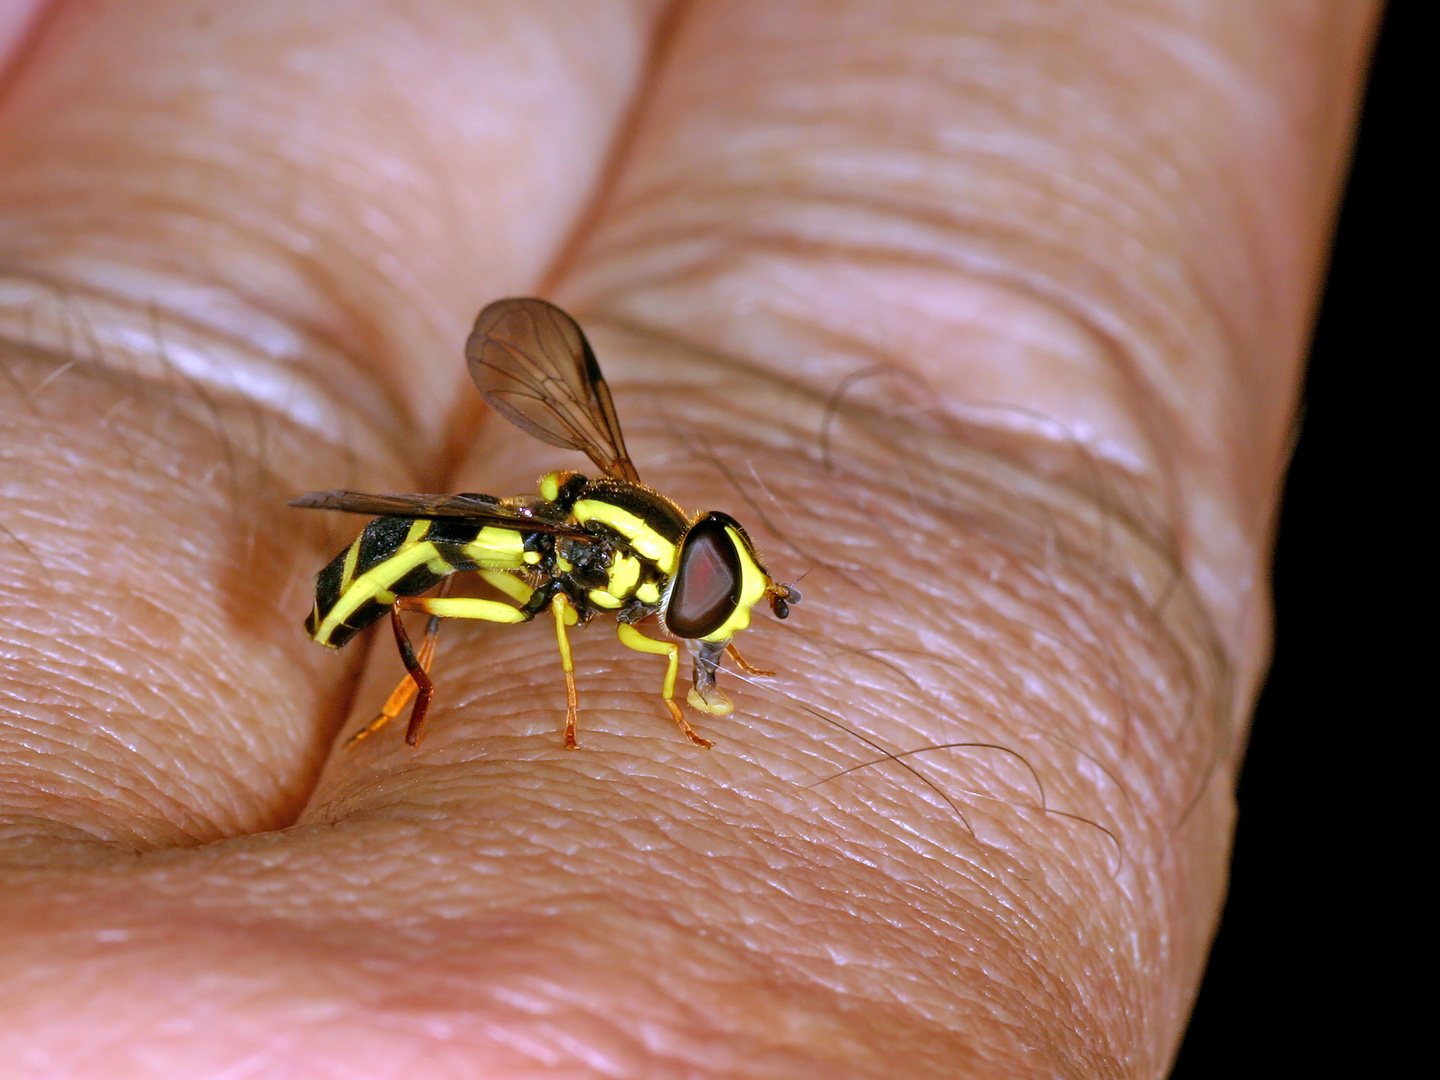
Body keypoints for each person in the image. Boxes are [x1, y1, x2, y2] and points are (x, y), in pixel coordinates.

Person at [0, 3, 1378, 1075]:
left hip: (547, 540)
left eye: (722, 583)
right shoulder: (602, 569)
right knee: (422, 570)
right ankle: (405, 682)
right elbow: (542, 599)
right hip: (466, 556)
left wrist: (705, 641)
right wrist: (569, 694)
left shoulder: (650, 547)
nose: (721, 594)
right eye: (717, 590)